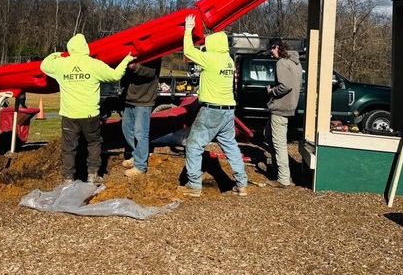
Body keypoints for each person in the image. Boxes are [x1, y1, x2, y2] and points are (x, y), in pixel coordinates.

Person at [41, 34, 134, 184]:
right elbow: (115, 75)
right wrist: (126, 60)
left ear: (70, 48)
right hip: (90, 113)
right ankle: (92, 174)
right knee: (94, 143)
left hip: (69, 114)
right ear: (86, 48)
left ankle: (68, 178)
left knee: (69, 148)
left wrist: (56, 54)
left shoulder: (61, 64)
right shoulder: (94, 64)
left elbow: (44, 65)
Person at [177, 14, 249, 197]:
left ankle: (194, 185)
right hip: (228, 111)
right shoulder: (228, 60)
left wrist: (188, 29)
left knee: (193, 146)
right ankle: (242, 183)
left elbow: (188, 51)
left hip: (212, 111)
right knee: (231, 147)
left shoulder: (211, 59)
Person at [264, 38, 302, 188]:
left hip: (280, 107)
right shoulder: (295, 62)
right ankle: (275, 166)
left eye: (272, 51)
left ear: (277, 48)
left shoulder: (281, 63)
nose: (271, 54)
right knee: (268, 134)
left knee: (279, 143)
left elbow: (285, 86)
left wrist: (272, 91)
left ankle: (283, 178)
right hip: (289, 106)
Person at [120, 57, 162, 177]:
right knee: (127, 129)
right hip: (130, 99)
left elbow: (150, 72)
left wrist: (135, 67)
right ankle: (136, 155)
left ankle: (140, 166)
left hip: (144, 100)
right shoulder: (132, 55)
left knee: (140, 133)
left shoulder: (154, 54)